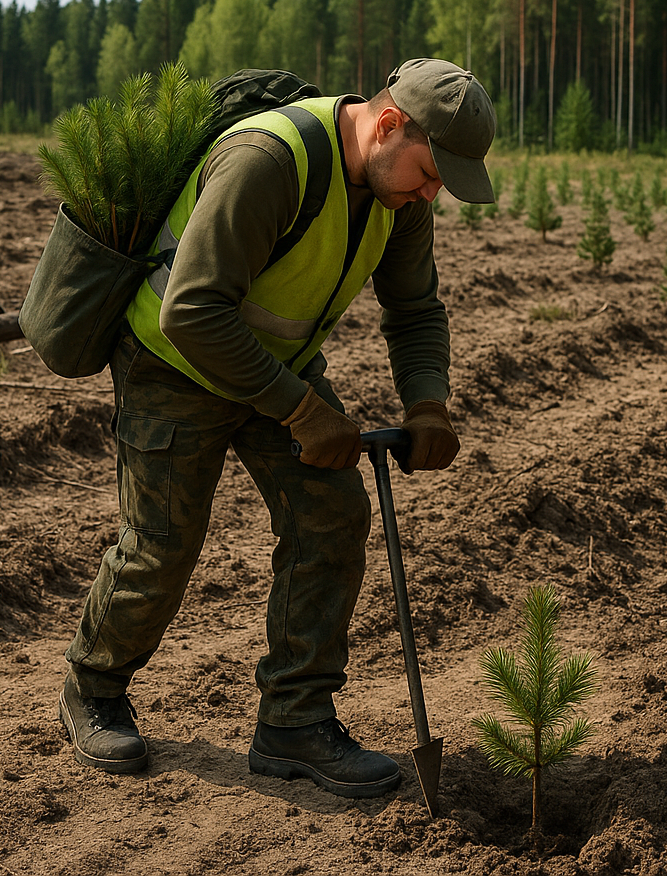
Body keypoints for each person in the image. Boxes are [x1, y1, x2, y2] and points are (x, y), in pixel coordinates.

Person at [59, 58, 496, 799]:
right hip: (172, 363)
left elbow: (416, 310)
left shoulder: (399, 201)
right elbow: (192, 310)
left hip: (273, 365)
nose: (431, 193)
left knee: (332, 516)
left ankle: (295, 719)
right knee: (162, 544)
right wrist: (302, 409)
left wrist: (428, 404)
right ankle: (92, 687)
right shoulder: (271, 161)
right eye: (430, 171)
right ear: (388, 124)